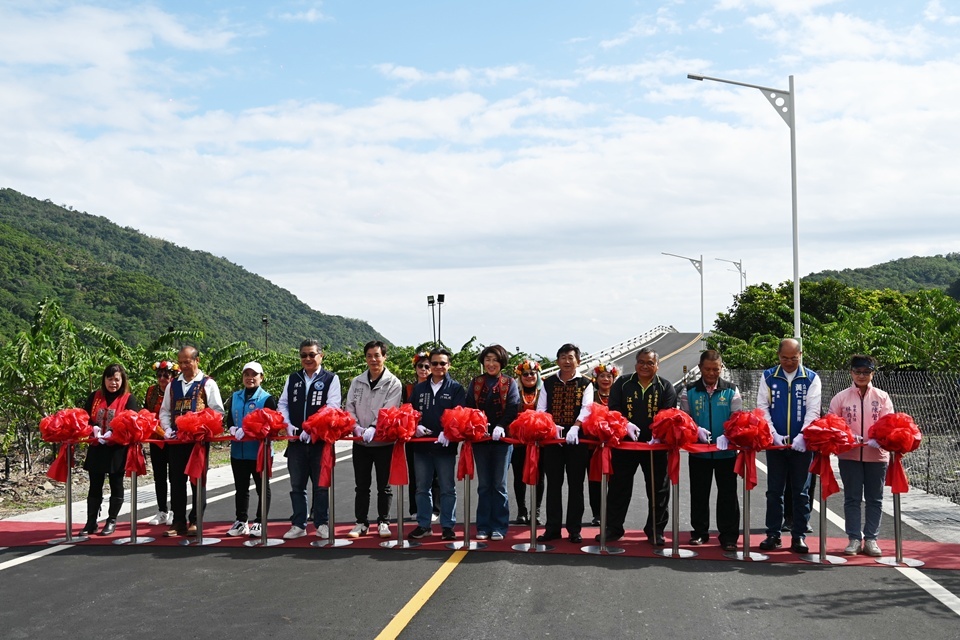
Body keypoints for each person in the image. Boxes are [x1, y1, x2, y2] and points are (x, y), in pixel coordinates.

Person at [603, 348, 677, 545]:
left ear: (657, 365)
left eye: (650, 363)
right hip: (625, 445)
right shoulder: (622, 383)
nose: (645, 366)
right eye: (641, 362)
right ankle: (613, 528)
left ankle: (655, 530)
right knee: (619, 487)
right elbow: (613, 409)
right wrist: (624, 424)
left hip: (655, 447)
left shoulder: (665, 386)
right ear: (636, 363)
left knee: (658, 489)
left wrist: (658, 434)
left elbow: (668, 414)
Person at [757, 338, 821, 553]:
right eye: (785, 358)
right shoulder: (768, 377)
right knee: (774, 491)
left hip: (802, 445)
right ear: (778, 356)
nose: (789, 362)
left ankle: (799, 535)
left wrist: (803, 435)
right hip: (776, 445)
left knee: (801, 491)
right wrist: (772, 433)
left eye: (793, 358)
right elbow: (762, 407)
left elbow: (813, 410)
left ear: (800, 355)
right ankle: (773, 534)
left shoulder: (811, 378)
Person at [829, 354, 893, 557]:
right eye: (858, 372)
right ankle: (854, 538)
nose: (862, 376)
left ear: (873, 373)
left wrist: (878, 439)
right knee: (852, 498)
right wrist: (847, 437)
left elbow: (890, 424)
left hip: (877, 454)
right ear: (851, 373)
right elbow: (832, 423)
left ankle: (872, 538)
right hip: (850, 455)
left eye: (866, 372)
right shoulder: (841, 397)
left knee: (875, 498)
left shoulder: (882, 397)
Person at [278, 339, 342, 540]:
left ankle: (322, 523)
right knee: (297, 485)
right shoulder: (293, 378)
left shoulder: (331, 378)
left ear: (320, 356)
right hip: (296, 442)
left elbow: (332, 407)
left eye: (311, 354)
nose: (307, 358)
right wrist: (288, 425)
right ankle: (298, 524)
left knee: (321, 486)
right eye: (303, 355)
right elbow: (283, 403)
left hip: (320, 442)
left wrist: (312, 427)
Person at [159, 346, 225, 537]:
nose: (184, 366)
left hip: (198, 442)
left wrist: (202, 427)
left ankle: (196, 520)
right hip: (177, 440)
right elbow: (164, 411)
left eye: (187, 361)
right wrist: (168, 429)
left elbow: (217, 411)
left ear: (197, 361)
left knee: (197, 480)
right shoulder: (172, 385)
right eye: (180, 362)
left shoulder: (208, 384)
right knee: (176, 480)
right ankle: (178, 520)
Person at [680, 350, 742, 551]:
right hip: (699, 453)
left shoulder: (732, 390)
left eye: (716, 369)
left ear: (721, 368)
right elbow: (684, 419)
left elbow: (738, 419)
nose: (712, 373)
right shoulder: (688, 391)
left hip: (727, 453)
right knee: (699, 494)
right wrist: (695, 430)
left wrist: (728, 435)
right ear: (700, 368)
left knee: (728, 495)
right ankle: (699, 533)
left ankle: (729, 536)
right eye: (707, 369)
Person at [536, 343, 593, 544]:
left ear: (578, 360)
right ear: (557, 360)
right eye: (562, 357)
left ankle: (574, 529)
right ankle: (552, 528)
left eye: (570, 357)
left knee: (576, 485)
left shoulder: (586, 383)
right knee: (553, 484)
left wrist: (576, 426)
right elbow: (541, 408)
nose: (566, 361)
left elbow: (587, 408)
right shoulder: (548, 383)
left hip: (577, 440)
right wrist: (551, 426)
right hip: (553, 440)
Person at [345, 341, 403, 539]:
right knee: (361, 485)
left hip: (384, 443)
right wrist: (356, 427)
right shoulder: (357, 381)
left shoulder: (393, 383)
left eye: (377, 355)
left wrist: (373, 428)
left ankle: (384, 521)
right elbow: (349, 407)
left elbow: (390, 409)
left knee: (384, 486)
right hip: (360, 441)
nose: (373, 359)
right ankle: (361, 522)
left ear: (384, 357)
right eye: (369, 355)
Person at [407, 347, 466, 541]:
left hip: (445, 447)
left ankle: (448, 526)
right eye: (434, 363)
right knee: (422, 487)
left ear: (448, 365)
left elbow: (460, 414)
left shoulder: (456, 388)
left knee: (447, 488)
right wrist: (416, 426)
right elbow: (411, 412)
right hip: (422, 446)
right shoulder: (419, 388)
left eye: (442, 363)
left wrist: (447, 432)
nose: (438, 367)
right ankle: (424, 525)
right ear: (429, 365)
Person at [78, 364, 141, 536]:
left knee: (116, 483)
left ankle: (112, 520)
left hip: (117, 448)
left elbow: (132, 421)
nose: (113, 383)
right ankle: (91, 521)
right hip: (97, 445)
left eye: (117, 379)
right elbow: (84, 417)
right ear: (104, 379)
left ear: (122, 380)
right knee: (95, 484)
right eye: (110, 379)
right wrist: (94, 430)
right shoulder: (95, 397)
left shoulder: (128, 399)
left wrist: (113, 432)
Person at [467, 345, 520, 541]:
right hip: (480, 440)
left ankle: (499, 526)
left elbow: (513, 407)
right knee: (484, 485)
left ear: (501, 362)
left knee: (499, 485)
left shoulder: (509, 382)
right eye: (487, 360)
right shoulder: (476, 382)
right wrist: (477, 426)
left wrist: (501, 426)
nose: (490, 364)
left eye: (494, 360)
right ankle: (482, 526)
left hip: (502, 441)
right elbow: (469, 407)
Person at [224, 361, 277, 538]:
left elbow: (271, 423)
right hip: (238, 451)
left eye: (254, 375)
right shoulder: (235, 396)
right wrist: (232, 428)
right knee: (241, 487)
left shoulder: (266, 399)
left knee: (262, 487)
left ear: (261, 377)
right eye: (246, 374)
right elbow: (230, 418)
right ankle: (241, 521)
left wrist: (248, 430)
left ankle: (260, 521)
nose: (250, 378)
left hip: (259, 451)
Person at [403, 351, 440, 523]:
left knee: (435, 474)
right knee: (416, 474)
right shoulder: (409, 389)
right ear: (415, 367)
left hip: (435, 436)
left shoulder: (439, 387)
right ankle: (415, 508)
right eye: (420, 366)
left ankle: (435, 508)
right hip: (413, 437)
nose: (424, 369)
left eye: (427, 366)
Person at [144, 360, 178, 527]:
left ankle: (175, 510)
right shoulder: (151, 391)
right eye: (159, 375)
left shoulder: (176, 390)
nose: (162, 378)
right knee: (159, 477)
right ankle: (162, 510)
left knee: (175, 477)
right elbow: (147, 413)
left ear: (173, 376)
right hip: (156, 439)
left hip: (174, 438)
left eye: (166, 375)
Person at [511, 359, 544, 525]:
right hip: (519, 441)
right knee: (519, 476)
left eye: (533, 373)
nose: (530, 376)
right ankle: (521, 511)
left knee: (539, 476)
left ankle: (536, 511)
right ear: (520, 376)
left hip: (539, 442)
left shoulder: (543, 391)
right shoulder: (515, 391)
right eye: (525, 374)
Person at [589, 362, 620, 526]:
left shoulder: (618, 396)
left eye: (609, 376)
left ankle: (611, 513)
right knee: (595, 480)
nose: (606, 379)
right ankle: (597, 513)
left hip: (614, 444)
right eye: (602, 376)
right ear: (596, 378)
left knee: (614, 481)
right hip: (593, 444)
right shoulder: (591, 396)